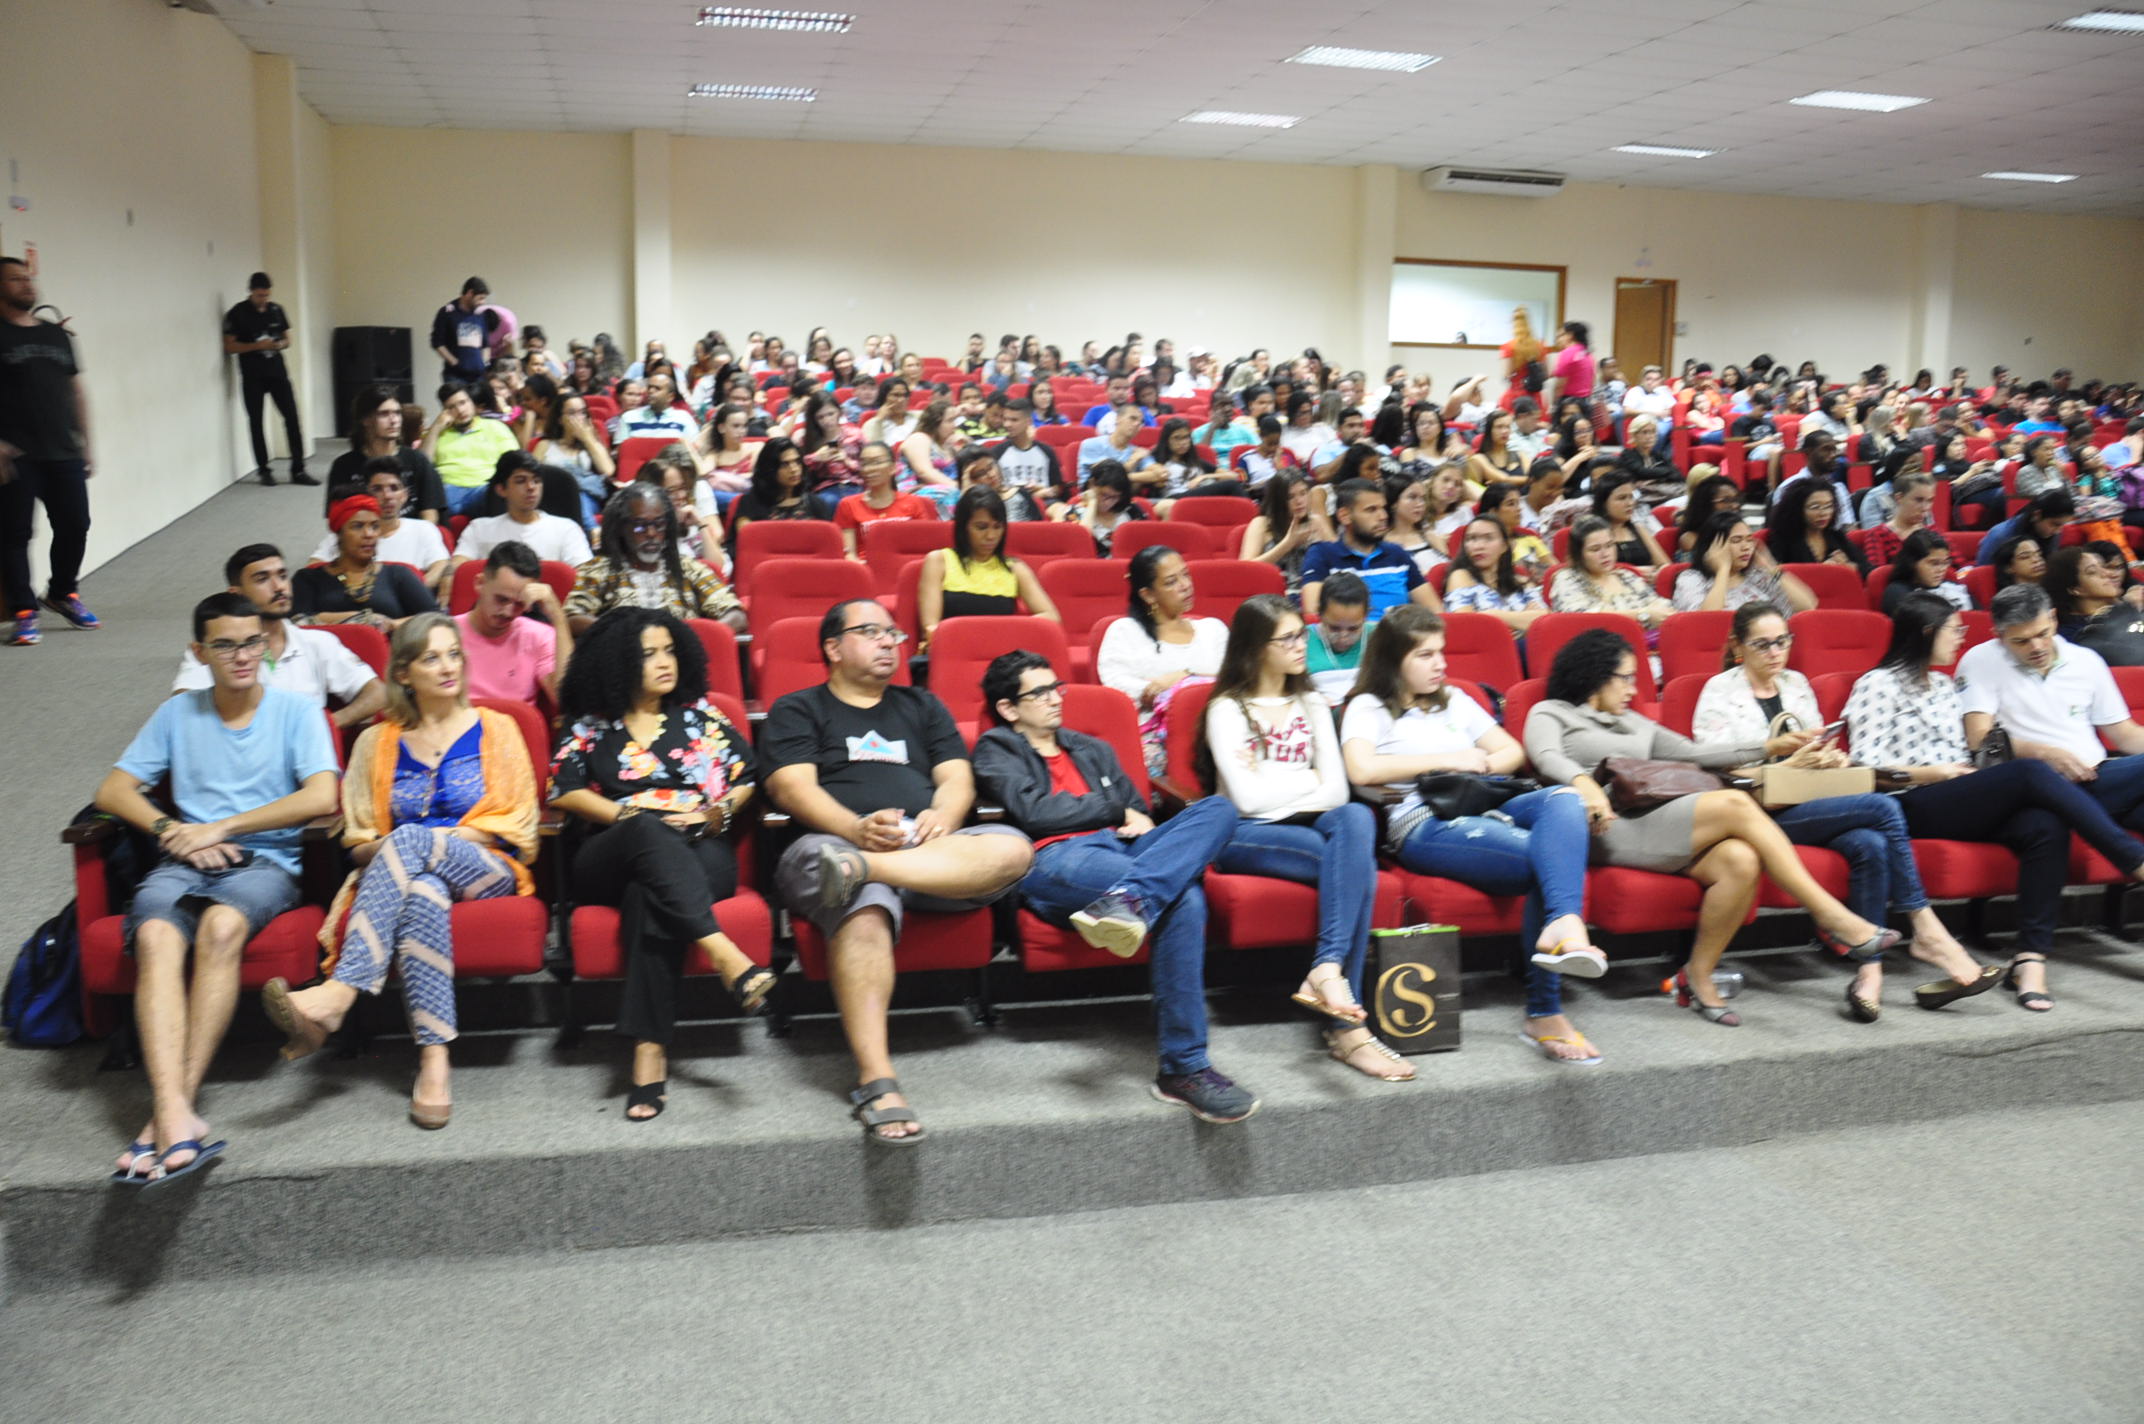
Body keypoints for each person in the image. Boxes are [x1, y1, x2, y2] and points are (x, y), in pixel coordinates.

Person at [1524, 629, 1900, 1026]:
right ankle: (1832, 917)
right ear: (1595, 675)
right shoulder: (1551, 712)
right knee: (1735, 803)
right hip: (1595, 827)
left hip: (1648, 819)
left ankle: (1697, 975)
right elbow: (1546, 756)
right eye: (1627, 678)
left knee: (1740, 859)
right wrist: (1583, 784)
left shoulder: (1633, 722)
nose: (1634, 689)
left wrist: (1770, 747)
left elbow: (1695, 753)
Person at [761, 601, 1034, 1143]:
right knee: (865, 905)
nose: (889, 642)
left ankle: (868, 869)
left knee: (1014, 848)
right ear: (833, 648)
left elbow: (956, 779)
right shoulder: (798, 708)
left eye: (894, 633)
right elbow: (791, 788)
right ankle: (877, 1080)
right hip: (829, 845)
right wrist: (855, 829)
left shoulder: (922, 705)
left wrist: (943, 817)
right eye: (871, 632)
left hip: (918, 852)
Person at [96, 592, 341, 1183]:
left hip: (265, 863)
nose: (242, 655)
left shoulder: (296, 711)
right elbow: (113, 791)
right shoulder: (178, 714)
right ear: (200, 652)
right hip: (186, 859)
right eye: (225, 645)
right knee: (154, 936)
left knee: (221, 926)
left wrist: (222, 827)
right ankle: (175, 1114)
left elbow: (321, 796)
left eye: (252, 642)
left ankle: (167, 1113)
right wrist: (172, 831)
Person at [260, 614, 538, 1126]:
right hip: (405, 876)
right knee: (422, 892)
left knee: (411, 841)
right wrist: (407, 851)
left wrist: (429, 842)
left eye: (453, 654)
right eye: (432, 658)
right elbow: (358, 842)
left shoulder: (497, 727)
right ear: (404, 673)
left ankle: (342, 991)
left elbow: (516, 822)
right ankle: (434, 1061)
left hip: (487, 867)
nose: (448, 666)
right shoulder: (376, 742)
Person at [972, 652, 1253, 1121]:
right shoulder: (996, 749)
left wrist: (1121, 813)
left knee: (1218, 809)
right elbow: (1037, 814)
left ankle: (1129, 900)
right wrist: (1112, 810)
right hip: (1056, 859)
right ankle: (1184, 1067)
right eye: (1039, 693)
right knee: (1184, 897)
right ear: (1008, 708)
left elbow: (1137, 806)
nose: (1055, 698)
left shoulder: (1090, 747)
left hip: (1122, 852)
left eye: (1056, 687)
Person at [1692, 603, 1992, 1018]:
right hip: (1756, 810)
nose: (1776, 652)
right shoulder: (1719, 690)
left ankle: (1869, 971)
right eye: (1762, 644)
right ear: (1737, 646)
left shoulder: (1796, 683)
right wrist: (1786, 766)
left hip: (1807, 797)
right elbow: (1714, 766)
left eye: (1782, 641)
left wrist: (1828, 758)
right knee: (1883, 807)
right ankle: (1927, 929)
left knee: (1870, 843)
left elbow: (1816, 747)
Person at [1853, 590, 2144, 1012]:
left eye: (2042, 634)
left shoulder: (1942, 685)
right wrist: (1937, 773)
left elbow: (2124, 734)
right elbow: (1864, 765)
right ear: (1928, 633)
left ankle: (2030, 959)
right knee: (2032, 772)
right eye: (1954, 630)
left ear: (2054, 618)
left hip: (1974, 791)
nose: (1961, 638)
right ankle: (2134, 860)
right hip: (1912, 799)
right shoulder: (1878, 683)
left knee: (2044, 824)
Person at [1340, 606, 1605, 1062]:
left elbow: (1510, 751)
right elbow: (1361, 768)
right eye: (1425, 655)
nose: (1440, 664)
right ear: (1393, 660)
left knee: (1565, 797)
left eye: (1441, 652)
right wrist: (1449, 761)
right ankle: (1545, 1009)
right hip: (1424, 821)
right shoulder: (1368, 707)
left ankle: (1564, 923)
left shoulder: (1454, 700)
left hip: (1484, 801)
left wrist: (1473, 765)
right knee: (1547, 860)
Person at [548, 608, 773, 1120]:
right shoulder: (590, 726)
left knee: (649, 895)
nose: (664, 661)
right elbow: (564, 790)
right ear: (617, 663)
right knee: (646, 829)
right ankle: (723, 952)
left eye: (670, 650)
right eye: (648, 654)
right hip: (612, 852)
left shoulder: (701, 718)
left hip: (698, 847)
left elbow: (747, 777)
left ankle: (649, 1052)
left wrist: (716, 813)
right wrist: (631, 815)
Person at [1198, 595, 1406, 1081]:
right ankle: (1347, 1031)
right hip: (1244, 834)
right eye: (1288, 638)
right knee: (1357, 868)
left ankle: (1327, 970)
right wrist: (1306, 779)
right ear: (1256, 647)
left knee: (1356, 816)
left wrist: (1273, 777)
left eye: (1301, 634)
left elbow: (1337, 793)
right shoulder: (1227, 709)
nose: (1302, 645)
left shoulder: (1312, 702)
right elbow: (1246, 800)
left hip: (1312, 824)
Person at [177, 543, 386, 727]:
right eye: (262, 579)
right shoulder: (216, 648)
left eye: (283, 576)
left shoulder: (318, 643)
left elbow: (377, 693)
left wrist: (326, 725)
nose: (279, 587)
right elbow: (181, 708)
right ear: (236, 594)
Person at [0, 256, 98, 646]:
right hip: (16, 455)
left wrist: (87, 443)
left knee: (76, 525)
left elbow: (76, 391)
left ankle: (62, 593)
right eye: (15, 279)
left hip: (63, 450)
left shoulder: (57, 335)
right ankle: (24, 612)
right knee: (15, 535)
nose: (26, 284)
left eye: (28, 277)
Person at [1098, 547, 1230, 776]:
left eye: (1186, 575)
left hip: (1219, 731)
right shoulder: (1124, 631)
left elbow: (1233, 680)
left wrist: (1185, 676)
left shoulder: (1213, 629)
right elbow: (1117, 687)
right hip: (1155, 738)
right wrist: (1158, 689)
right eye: (1171, 582)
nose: (1185, 585)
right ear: (1148, 595)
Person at [566, 482, 744, 634]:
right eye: (640, 526)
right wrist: (622, 633)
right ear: (622, 528)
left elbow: (736, 615)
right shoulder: (599, 570)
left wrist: (692, 638)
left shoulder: (688, 568)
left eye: (659, 525)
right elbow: (572, 617)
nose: (651, 533)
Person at [914, 487, 1058, 651]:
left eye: (997, 527)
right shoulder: (939, 561)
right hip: (952, 651)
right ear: (963, 527)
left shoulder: (1015, 568)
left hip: (1001, 652)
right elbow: (930, 628)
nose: (991, 536)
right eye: (981, 527)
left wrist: (1006, 631)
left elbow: (1051, 617)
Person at [1300, 478, 1442, 621]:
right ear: (1345, 516)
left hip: (1397, 633)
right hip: (1347, 633)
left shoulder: (1397, 554)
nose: (1383, 516)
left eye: (1383, 508)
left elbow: (1436, 611)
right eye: (1371, 510)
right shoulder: (1322, 554)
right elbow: (1313, 612)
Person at [293, 495, 441, 630]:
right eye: (358, 526)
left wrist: (392, 624)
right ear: (339, 534)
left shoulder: (397, 574)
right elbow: (297, 621)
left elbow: (436, 618)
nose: (369, 534)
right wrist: (361, 619)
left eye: (375, 526)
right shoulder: (308, 578)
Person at [221, 272, 312, 487]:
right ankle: (264, 470)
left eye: (267, 295)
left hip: (278, 373)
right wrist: (257, 346)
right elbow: (229, 346)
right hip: (252, 375)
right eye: (260, 295)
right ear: (251, 291)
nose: (263, 299)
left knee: (292, 418)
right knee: (256, 422)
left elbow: (287, 339)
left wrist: (279, 344)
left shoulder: (276, 310)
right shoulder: (237, 313)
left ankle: (298, 469)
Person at [455, 541, 572, 705]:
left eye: (519, 604)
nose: (508, 612)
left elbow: (565, 700)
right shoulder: (445, 634)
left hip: (514, 722)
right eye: (501, 599)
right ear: (480, 583)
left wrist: (559, 618)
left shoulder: (540, 636)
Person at [312, 457, 451, 592]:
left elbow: (441, 565)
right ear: (366, 495)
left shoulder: (424, 529)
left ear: (404, 495)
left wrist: (410, 593)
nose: (387, 496)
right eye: (377, 489)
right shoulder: (348, 533)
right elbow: (313, 565)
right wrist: (344, 585)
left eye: (394, 488)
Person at [452, 451, 593, 571]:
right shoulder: (479, 528)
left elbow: (587, 577)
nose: (531, 487)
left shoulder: (567, 529)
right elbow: (457, 567)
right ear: (501, 489)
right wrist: (449, 575)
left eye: (536, 481)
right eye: (520, 481)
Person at [326, 386, 447, 521]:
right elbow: (338, 518)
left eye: (397, 413)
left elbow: (430, 512)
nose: (394, 420)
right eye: (384, 414)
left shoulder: (417, 460)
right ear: (365, 420)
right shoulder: (343, 466)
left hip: (411, 530)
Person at [1547, 516, 1671, 638]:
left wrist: (1661, 613)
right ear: (1579, 554)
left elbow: (1660, 605)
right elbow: (1584, 619)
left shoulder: (1626, 576)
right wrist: (1642, 615)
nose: (1605, 554)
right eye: (1595, 549)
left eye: (1609, 545)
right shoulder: (1566, 579)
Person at [1674, 512, 1817, 613]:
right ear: (1712, 546)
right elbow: (1705, 621)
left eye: (1749, 540)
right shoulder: (1691, 579)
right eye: (1736, 540)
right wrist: (1723, 569)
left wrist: (1771, 568)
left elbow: (1807, 606)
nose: (1746, 547)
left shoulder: (1755, 576)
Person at [422, 381, 520, 516]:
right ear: (444, 412)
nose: (460, 410)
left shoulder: (496, 427)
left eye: (463, 402)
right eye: (451, 407)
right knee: (430, 498)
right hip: (448, 489)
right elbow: (422, 464)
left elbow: (514, 461)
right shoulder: (436, 433)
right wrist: (436, 427)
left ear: (472, 403)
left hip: (484, 487)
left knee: (496, 494)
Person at [833, 441, 938, 557]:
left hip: (908, 564)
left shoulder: (913, 502)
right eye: (864, 463)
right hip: (866, 565)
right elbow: (849, 554)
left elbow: (925, 547)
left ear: (893, 468)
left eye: (876, 462)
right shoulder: (848, 504)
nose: (868, 469)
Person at [1444, 516, 1547, 632]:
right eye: (1471, 538)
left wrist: (1493, 615)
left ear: (1505, 546)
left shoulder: (1522, 582)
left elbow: (1546, 620)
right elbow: (1466, 627)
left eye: (1488, 538)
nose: (1478, 546)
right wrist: (1523, 619)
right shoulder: (1460, 577)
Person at [533, 389, 617, 525]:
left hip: (584, 497)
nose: (579, 418)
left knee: (579, 497)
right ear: (560, 419)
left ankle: (593, 530)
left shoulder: (592, 444)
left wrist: (587, 439)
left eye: (583, 412)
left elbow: (608, 470)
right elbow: (533, 475)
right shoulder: (545, 445)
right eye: (572, 413)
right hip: (553, 496)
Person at [1239, 470, 1324, 597]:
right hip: (1272, 595)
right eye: (1290, 497)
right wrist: (1288, 543)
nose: (1299, 501)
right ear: (1278, 500)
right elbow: (1244, 570)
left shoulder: (1315, 521)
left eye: (1303, 493)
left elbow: (1336, 559)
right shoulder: (1261, 524)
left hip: (1311, 593)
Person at [1769, 477, 1865, 572]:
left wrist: (1849, 567)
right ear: (1797, 509)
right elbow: (1774, 575)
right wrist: (1821, 570)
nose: (1824, 513)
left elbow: (1867, 569)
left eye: (1829, 506)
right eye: (1815, 507)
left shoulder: (1836, 536)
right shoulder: (1783, 539)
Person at [1304, 570, 1370, 705]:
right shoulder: (1303, 640)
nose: (1343, 637)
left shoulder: (1378, 637)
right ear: (1320, 613)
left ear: (1366, 616)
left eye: (1353, 629)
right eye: (1334, 628)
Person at [1587, 471, 1670, 570]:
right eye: (1622, 498)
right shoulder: (1593, 534)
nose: (1630, 503)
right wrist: (1637, 571)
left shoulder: (1638, 528)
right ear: (1603, 503)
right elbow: (1593, 571)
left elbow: (1665, 566)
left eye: (1631, 497)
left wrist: (1655, 573)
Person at [1975, 488, 2074, 566]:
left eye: (2062, 525)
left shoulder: (2051, 532)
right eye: (2055, 524)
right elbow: (1983, 573)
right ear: (2037, 515)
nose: (2058, 531)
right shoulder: (2000, 536)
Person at [1882, 529, 1970, 616]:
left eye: (1946, 562)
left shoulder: (1953, 587)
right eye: (1934, 563)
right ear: (1912, 562)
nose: (1942, 569)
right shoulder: (1897, 593)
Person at [430, 277, 491, 383]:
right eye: (480, 298)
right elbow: (437, 343)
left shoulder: (480, 315)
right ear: (470, 293)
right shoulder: (447, 312)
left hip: (478, 376)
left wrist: (483, 363)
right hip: (455, 376)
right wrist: (454, 362)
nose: (482, 302)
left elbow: (486, 345)